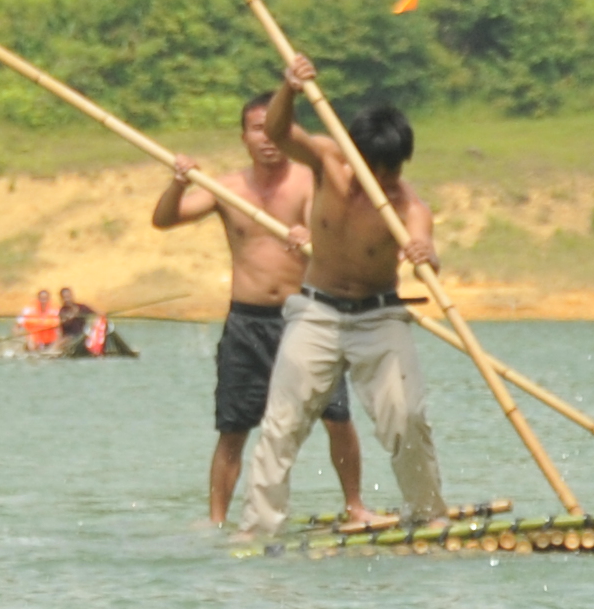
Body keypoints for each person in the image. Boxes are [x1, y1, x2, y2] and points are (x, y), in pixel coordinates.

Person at [229, 56, 445, 539]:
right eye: (377, 171)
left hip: (379, 317)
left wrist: (423, 252)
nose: (384, 182)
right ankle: (259, 528)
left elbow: (425, 249)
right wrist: (290, 88)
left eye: (393, 172)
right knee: (281, 424)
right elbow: (282, 133)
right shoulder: (328, 161)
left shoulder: (408, 204)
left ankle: (428, 514)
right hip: (317, 312)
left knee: (406, 417)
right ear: (358, 157)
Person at [156, 90, 362, 527]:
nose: (267, 138)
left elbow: (334, 235)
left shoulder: (309, 182)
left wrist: (311, 233)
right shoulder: (225, 188)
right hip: (246, 323)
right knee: (234, 428)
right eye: (256, 129)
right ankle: (216, 519)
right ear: (244, 137)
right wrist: (179, 181)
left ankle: (355, 506)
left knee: (336, 416)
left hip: (306, 317)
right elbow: (165, 219)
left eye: (274, 129)